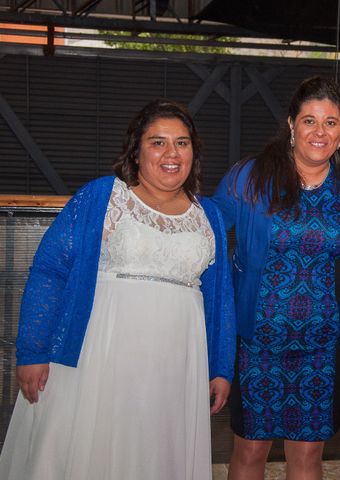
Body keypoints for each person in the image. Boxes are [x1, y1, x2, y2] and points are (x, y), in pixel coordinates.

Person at [0, 99, 235, 480]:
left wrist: (221, 366)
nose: (171, 153)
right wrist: (33, 349)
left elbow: (220, 297)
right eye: (157, 142)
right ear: (136, 150)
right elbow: (49, 271)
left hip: (177, 364)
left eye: (182, 142)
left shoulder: (209, 215)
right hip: (101, 357)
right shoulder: (102, 198)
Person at [213, 76, 340, 480]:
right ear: (291, 124)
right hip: (257, 341)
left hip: (323, 343)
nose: (320, 131)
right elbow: (205, 229)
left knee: (308, 455)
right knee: (250, 450)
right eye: (309, 120)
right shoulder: (250, 178)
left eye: (330, 123)